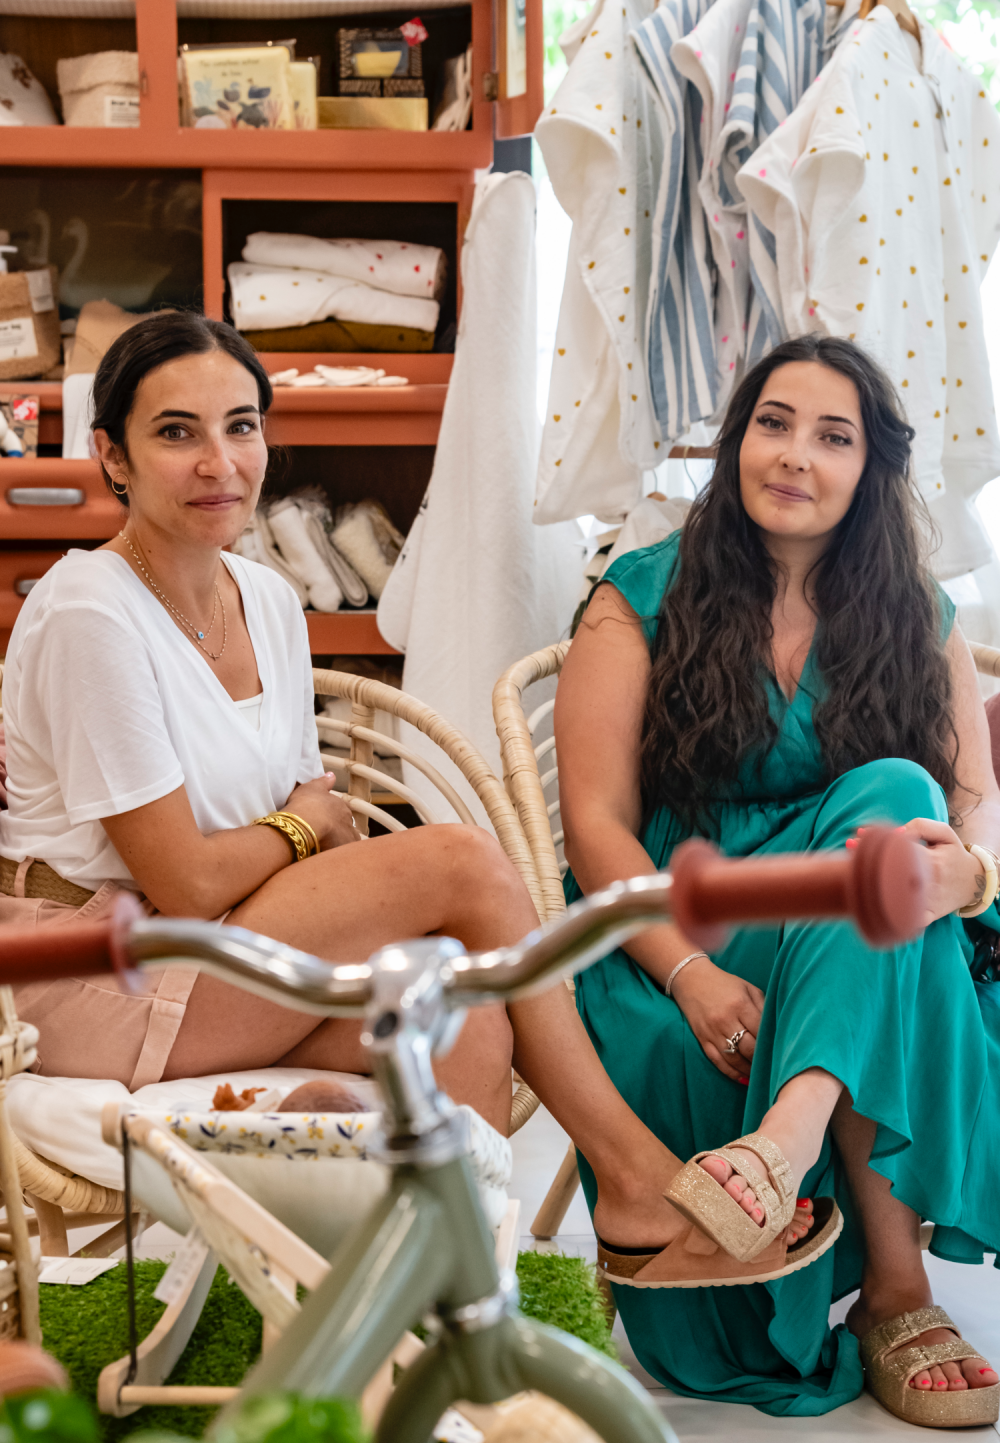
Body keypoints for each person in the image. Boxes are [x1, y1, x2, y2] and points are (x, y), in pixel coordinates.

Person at [0, 311, 814, 1277]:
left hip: (220, 951)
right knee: (461, 862)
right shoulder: (89, 609)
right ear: (112, 454)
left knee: (461, 1007)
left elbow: (299, 827)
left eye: (241, 425)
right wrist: (305, 826)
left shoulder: (266, 598)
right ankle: (633, 1181)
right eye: (177, 432)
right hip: (97, 971)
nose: (220, 462)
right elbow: (189, 879)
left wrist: (358, 883)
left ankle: (445, 1298)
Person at [556, 334, 1000, 1425]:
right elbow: (596, 828)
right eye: (773, 423)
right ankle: (896, 1294)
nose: (795, 454)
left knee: (896, 804)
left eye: (832, 436)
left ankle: (789, 1151)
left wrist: (972, 874)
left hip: (853, 912)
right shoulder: (638, 595)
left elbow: (971, 802)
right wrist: (690, 977)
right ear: (736, 442)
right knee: (889, 867)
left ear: (871, 469)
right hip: (683, 921)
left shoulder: (917, 612)